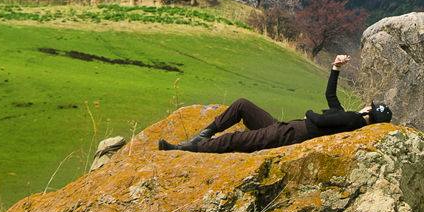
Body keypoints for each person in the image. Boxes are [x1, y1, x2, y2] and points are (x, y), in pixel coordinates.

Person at [157, 54, 393, 153]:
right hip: (284, 129)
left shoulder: (353, 120)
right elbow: (331, 99)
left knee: (233, 140)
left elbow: (319, 119)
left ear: (369, 111)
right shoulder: (349, 122)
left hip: (286, 135)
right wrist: (335, 69)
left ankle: (188, 149)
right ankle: (203, 135)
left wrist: (308, 112)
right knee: (242, 105)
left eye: (370, 106)